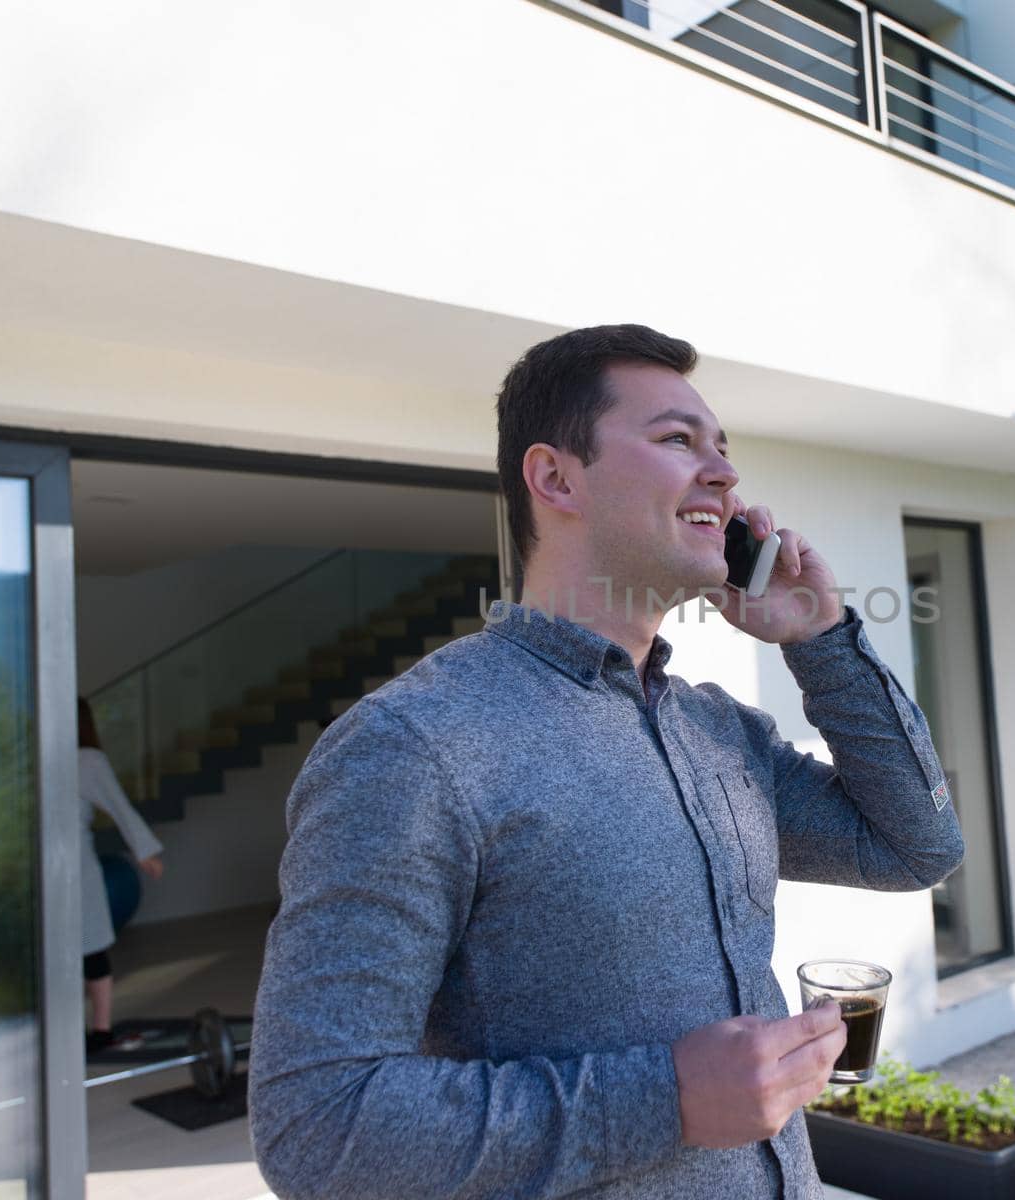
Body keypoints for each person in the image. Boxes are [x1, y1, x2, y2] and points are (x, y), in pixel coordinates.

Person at [249, 324, 965, 1198]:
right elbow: (317, 1125)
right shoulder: (416, 747)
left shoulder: (719, 734)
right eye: (676, 440)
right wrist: (666, 1100)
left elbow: (916, 847)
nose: (726, 474)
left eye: (723, 449)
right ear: (555, 478)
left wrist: (823, 641)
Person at [77, 697, 164, 1055]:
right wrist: (146, 853)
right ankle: (100, 1030)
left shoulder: (36, 760)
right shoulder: (88, 760)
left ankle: (72, 1033)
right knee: (92, 948)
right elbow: (118, 806)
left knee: (65, 953)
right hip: (75, 868)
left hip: (41, 868)